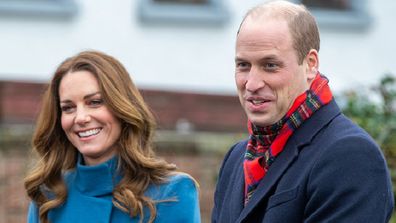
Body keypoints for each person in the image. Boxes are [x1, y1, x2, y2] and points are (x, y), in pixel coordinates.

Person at [212, 1, 394, 222]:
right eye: (243, 65)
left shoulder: (351, 155)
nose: (251, 83)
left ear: (310, 64)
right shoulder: (236, 158)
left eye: (270, 65)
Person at [24, 50, 200, 223]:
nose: (80, 118)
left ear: (122, 108)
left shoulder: (172, 192)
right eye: (68, 107)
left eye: (95, 102)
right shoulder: (48, 196)